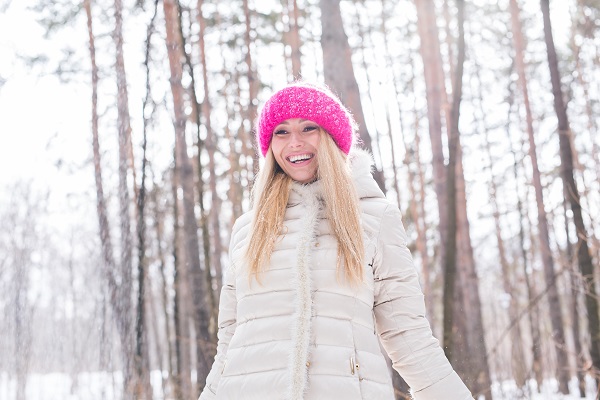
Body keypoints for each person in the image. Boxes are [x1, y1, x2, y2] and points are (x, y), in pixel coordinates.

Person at [199, 82, 473, 400]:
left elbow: (406, 334)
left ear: (330, 136)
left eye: (308, 128)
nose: (295, 143)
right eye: (281, 132)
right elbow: (230, 344)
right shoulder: (247, 230)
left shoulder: (372, 217)